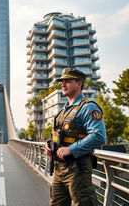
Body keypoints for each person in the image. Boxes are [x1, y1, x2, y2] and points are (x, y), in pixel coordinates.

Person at [45, 68, 106, 206]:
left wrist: (71, 149)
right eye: (62, 81)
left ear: (79, 83)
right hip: (58, 169)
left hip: (77, 169)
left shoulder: (88, 108)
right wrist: (49, 145)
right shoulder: (63, 112)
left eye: (68, 81)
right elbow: (59, 136)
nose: (63, 84)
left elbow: (99, 136)